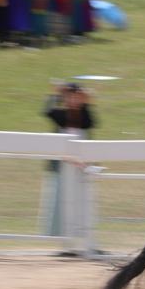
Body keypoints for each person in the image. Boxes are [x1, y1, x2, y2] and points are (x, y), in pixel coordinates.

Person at [41, 81, 97, 235]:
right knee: (60, 200)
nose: (73, 100)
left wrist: (86, 102)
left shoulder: (84, 116)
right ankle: (62, 238)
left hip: (82, 165)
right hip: (62, 164)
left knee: (83, 201)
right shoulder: (60, 115)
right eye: (69, 97)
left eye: (77, 97)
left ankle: (83, 236)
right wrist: (55, 94)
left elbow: (91, 123)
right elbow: (47, 112)